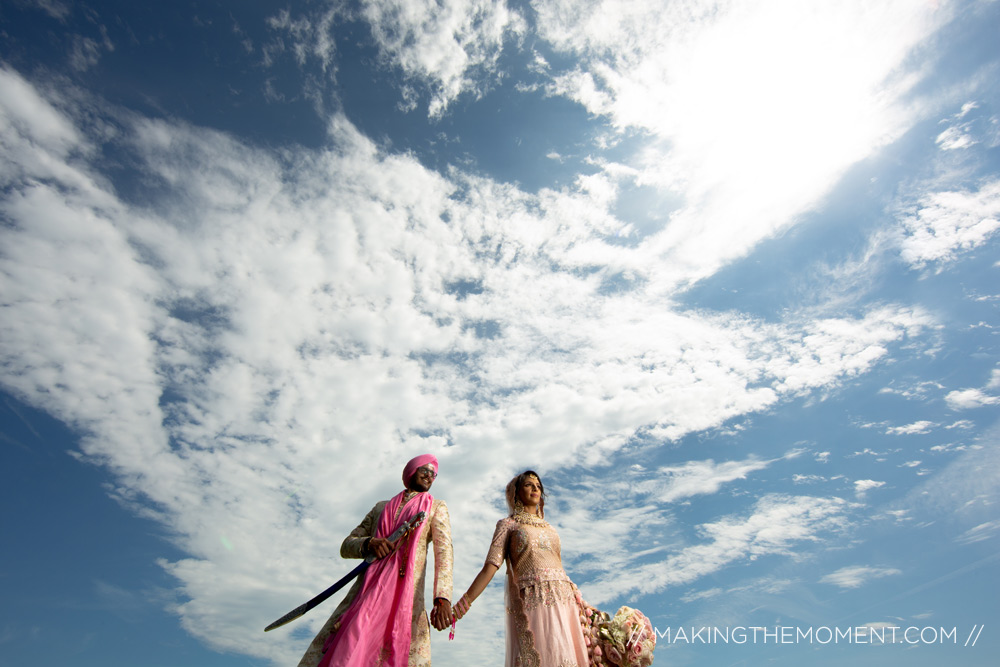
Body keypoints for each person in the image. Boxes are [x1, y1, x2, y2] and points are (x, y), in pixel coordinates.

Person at [297, 454, 454, 667]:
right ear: (411, 471)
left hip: (406, 596)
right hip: (366, 592)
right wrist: (371, 543)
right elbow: (346, 545)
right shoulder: (381, 507)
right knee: (350, 641)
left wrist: (442, 597)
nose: (429, 476)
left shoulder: (436, 507)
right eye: (424, 471)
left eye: (433, 474)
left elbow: (444, 552)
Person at [452, 470, 592, 666]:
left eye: (538, 486)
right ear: (516, 492)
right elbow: (490, 566)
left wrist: (583, 606)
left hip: (565, 602)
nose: (535, 488)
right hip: (535, 602)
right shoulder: (508, 525)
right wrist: (462, 605)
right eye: (528, 484)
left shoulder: (550, 529)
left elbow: (559, 569)